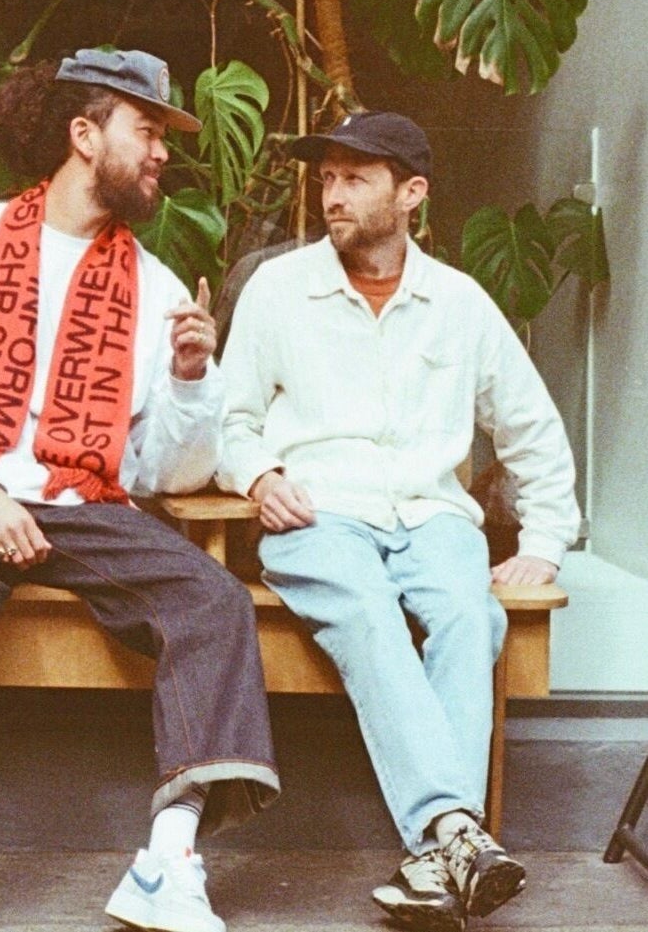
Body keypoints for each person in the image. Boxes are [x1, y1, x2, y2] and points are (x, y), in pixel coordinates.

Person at [0, 51, 278, 932]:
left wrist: (192, 378)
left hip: (83, 500)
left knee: (212, 598)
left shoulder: (157, 288)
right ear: (84, 135)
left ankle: (169, 858)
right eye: (148, 129)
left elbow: (163, 475)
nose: (164, 150)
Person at [220, 111, 579, 932]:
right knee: (370, 617)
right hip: (320, 511)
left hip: (432, 513)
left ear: (411, 193)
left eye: (354, 177)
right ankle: (457, 829)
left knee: (469, 613)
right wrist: (260, 473)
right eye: (326, 177)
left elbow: (531, 426)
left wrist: (545, 540)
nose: (332, 193)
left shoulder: (458, 301)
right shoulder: (279, 289)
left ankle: (437, 863)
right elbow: (229, 420)